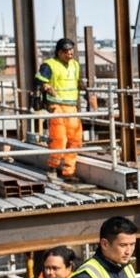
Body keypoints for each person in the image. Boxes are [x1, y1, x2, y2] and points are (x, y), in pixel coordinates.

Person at [35, 38, 84, 179]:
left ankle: (69, 171)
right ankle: (52, 168)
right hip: (56, 105)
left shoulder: (75, 65)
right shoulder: (49, 65)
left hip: (71, 106)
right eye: (66, 51)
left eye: (71, 51)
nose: (70, 54)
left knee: (75, 139)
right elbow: (40, 79)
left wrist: (81, 85)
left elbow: (75, 80)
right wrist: (47, 86)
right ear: (59, 52)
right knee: (59, 138)